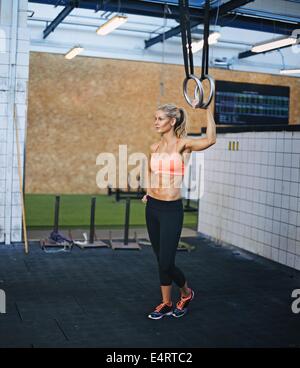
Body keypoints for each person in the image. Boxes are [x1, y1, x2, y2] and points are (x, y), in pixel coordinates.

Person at [142, 102, 216, 319]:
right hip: (153, 207)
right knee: (159, 259)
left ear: (172, 121)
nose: (156, 122)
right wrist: (148, 191)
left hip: (171, 210)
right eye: (155, 118)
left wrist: (208, 111)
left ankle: (186, 293)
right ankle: (166, 302)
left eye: (160, 119)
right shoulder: (154, 147)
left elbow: (211, 140)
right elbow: (148, 169)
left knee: (166, 261)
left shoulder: (183, 145)